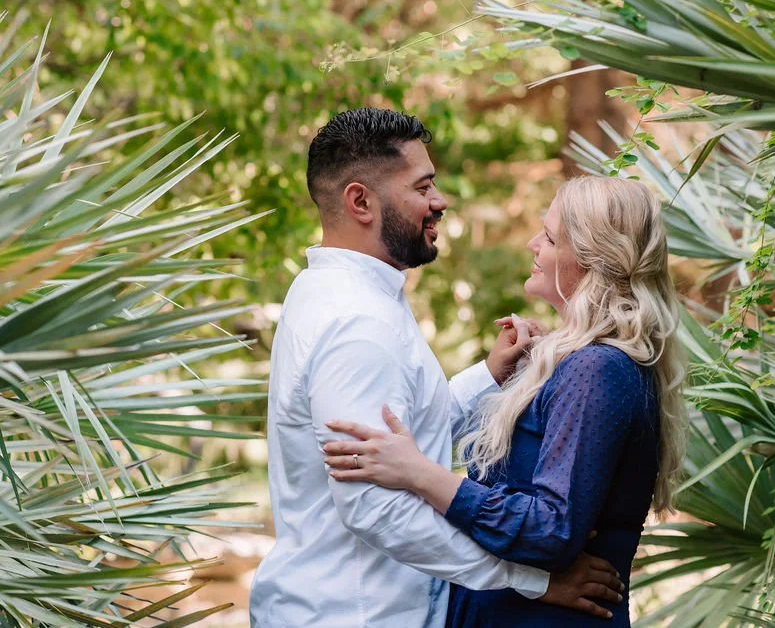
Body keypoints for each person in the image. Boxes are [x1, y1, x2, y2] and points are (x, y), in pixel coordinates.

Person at [249, 109, 624, 628]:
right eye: (423, 187)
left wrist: (488, 374)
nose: (440, 201)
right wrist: (532, 579)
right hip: (357, 614)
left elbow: (402, 445)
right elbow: (375, 506)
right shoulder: (358, 323)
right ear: (361, 201)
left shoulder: (335, 292)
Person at [323, 176, 688, 626]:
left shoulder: (598, 369)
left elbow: (551, 529)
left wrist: (421, 474)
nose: (533, 244)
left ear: (592, 259)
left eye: (549, 238)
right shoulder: (578, 364)